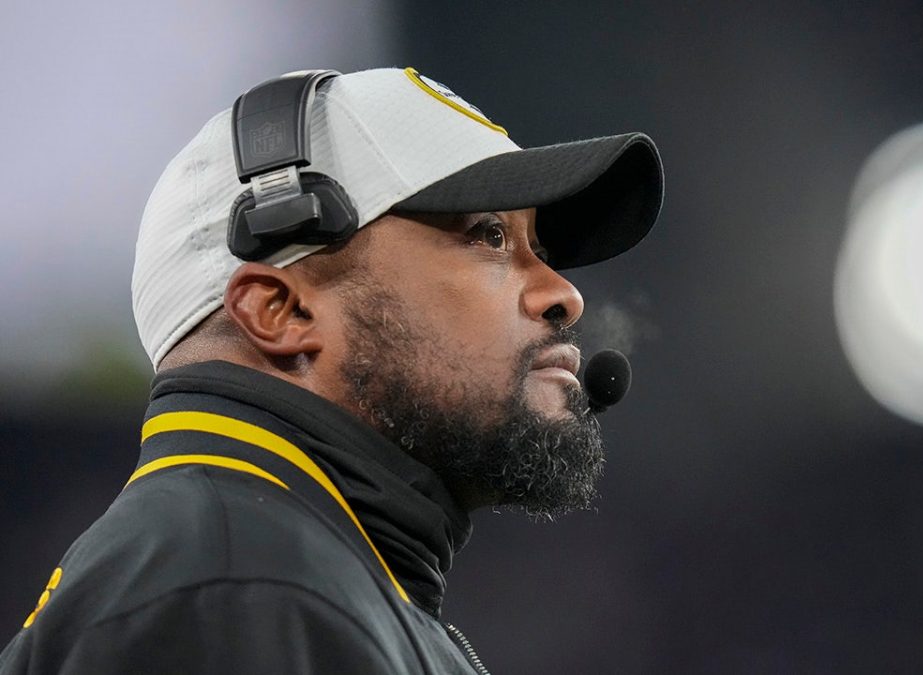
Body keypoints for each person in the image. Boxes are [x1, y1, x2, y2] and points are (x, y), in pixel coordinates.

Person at [0, 67, 662, 673]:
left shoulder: (273, 578)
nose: (564, 293)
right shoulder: (241, 596)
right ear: (281, 311)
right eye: (489, 235)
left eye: (537, 247)